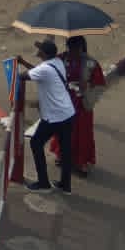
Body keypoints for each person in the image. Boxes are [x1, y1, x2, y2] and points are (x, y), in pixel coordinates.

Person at [18, 39, 75, 195]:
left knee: (36, 143)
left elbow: (24, 76)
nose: (38, 52)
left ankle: (43, 183)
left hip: (54, 117)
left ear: (43, 53)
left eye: (40, 50)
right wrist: (24, 62)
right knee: (65, 150)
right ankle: (65, 185)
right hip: (68, 113)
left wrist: (20, 66)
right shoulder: (58, 62)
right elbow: (38, 71)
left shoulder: (44, 69)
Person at [51, 37, 106, 177]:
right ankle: (61, 156)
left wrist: (86, 87)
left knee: (82, 134)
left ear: (81, 48)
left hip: (82, 105)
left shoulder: (91, 64)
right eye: (70, 49)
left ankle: (80, 163)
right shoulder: (60, 59)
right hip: (64, 102)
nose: (72, 53)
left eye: (76, 50)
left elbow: (99, 85)